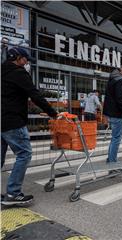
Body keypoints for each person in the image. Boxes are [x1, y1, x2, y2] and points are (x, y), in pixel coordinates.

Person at [1, 47, 58, 205]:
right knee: (24, 154)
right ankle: (13, 194)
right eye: (25, 59)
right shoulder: (18, 73)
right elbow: (35, 95)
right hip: (12, 121)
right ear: (18, 58)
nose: (27, 63)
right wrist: (53, 113)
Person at [103, 63, 122, 163]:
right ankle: (112, 162)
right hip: (117, 114)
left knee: (114, 138)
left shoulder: (112, 78)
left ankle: (110, 159)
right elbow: (120, 100)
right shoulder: (120, 81)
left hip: (110, 113)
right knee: (116, 139)